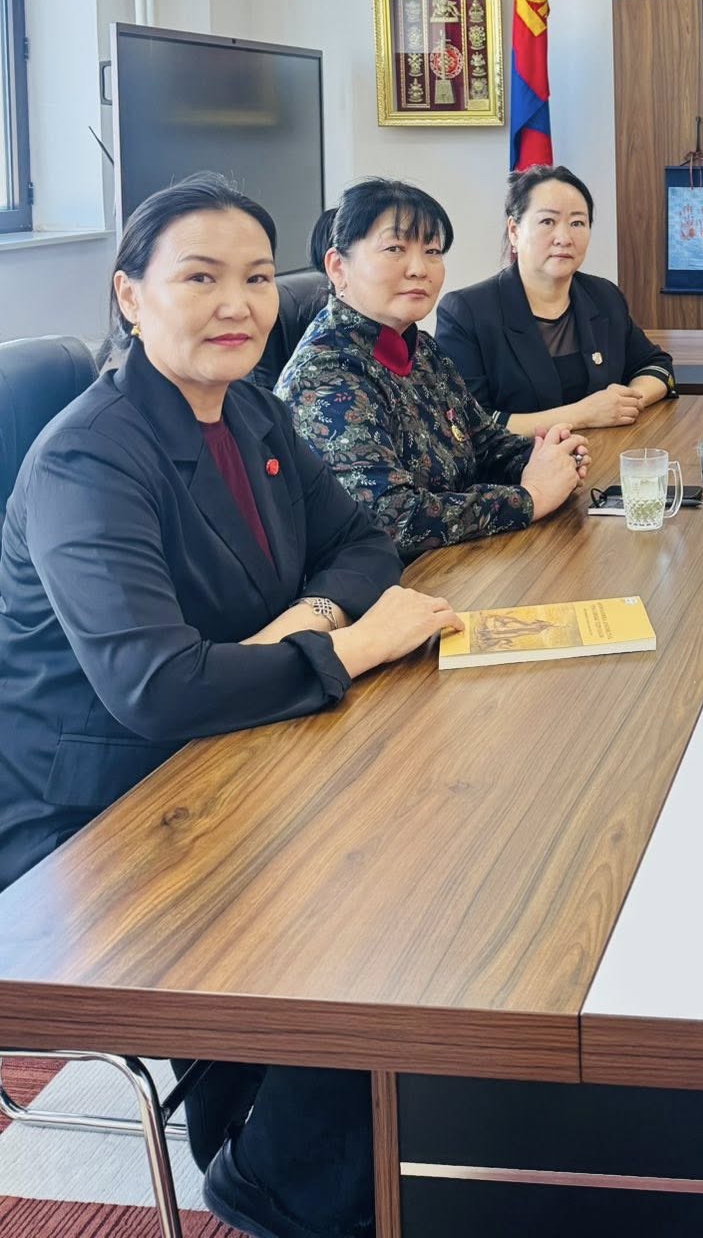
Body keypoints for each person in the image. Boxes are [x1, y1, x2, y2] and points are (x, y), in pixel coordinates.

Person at [0, 174, 463, 1238]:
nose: (237, 305)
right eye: (200, 278)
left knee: (439, 841)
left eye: (256, 278)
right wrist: (343, 644)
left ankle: (358, 1134)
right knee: (386, 908)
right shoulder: (87, 456)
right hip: (98, 815)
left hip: (226, 743)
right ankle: (277, 1174)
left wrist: (306, 617)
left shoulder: (251, 408)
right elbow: (154, 687)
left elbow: (363, 542)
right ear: (130, 295)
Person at [275, 179, 588, 558]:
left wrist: (548, 456)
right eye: (395, 249)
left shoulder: (421, 348)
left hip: (459, 562)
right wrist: (531, 497)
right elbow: (390, 518)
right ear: (338, 267)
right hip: (386, 584)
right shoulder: (324, 373)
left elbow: (484, 442)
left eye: (432, 251)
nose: (419, 269)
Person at [436, 166, 674, 431]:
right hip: (521, 457)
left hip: (606, 451)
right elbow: (467, 424)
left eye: (577, 223)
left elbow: (657, 366)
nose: (564, 238)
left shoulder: (603, 296)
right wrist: (583, 415)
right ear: (514, 231)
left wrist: (622, 405)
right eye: (547, 221)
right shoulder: (466, 312)